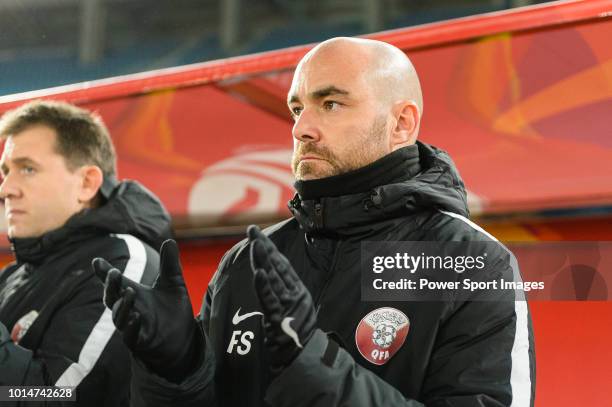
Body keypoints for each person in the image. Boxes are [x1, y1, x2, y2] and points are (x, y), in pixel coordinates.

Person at [94, 37, 536, 406]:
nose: (301, 128)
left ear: (402, 123)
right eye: (296, 108)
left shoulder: (475, 265)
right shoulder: (245, 262)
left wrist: (315, 361)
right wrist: (175, 369)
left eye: (330, 104)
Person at [0, 100, 171, 406]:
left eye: (27, 169)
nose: (5, 188)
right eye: (5, 171)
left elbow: (58, 397)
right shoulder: (14, 275)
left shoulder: (122, 264)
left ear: (87, 183)